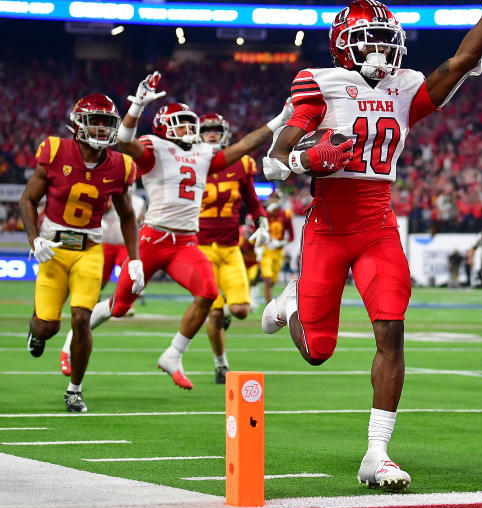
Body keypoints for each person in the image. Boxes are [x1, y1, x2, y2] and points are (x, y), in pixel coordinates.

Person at [259, 0, 482, 491]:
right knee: (318, 352)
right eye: (369, 41)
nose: (382, 50)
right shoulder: (320, 81)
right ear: (343, 46)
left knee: (392, 332)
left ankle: (376, 453)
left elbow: (462, 60)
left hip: (379, 225)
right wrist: (307, 157)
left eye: (387, 40)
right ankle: (291, 299)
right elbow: (278, 158)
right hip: (328, 229)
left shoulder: (406, 88)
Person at [64, 72, 289, 390]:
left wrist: (279, 120)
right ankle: (73, 336)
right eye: (182, 122)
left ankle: (173, 354)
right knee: (119, 307)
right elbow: (124, 140)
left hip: (185, 243)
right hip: (152, 240)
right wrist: (138, 106)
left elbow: (241, 147)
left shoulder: (202, 153)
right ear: (165, 126)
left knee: (209, 294)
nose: (189, 128)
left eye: (189, 122)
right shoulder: (154, 148)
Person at [19, 94, 143, 412]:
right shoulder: (55, 150)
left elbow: (128, 215)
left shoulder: (120, 165)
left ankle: (74, 388)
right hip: (53, 249)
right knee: (47, 326)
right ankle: (36, 332)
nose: (102, 129)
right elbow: (27, 200)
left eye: (107, 123)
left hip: (89, 250)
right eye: (95, 121)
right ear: (77, 124)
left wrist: (135, 258)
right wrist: (34, 240)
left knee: (81, 319)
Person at [196, 113, 270, 384]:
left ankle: (221, 323)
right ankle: (220, 364)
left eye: (216, 130)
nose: (212, 135)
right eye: (207, 131)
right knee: (213, 312)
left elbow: (253, 202)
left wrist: (261, 223)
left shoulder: (240, 164)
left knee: (239, 309)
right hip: (201, 248)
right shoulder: (191, 163)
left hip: (229, 248)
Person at [58, 190, 146, 378]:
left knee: (127, 278)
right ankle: (89, 303)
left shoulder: (138, 202)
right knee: (98, 284)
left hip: (124, 243)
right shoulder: (106, 193)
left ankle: (121, 298)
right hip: (104, 243)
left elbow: (138, 221)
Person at [260, 191, 294, 302]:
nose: (274, 200)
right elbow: (259, 231)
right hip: (266, 250)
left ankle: (268, 297)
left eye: (276, 198)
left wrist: (281, 243)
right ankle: (268, 307)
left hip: (279, 251)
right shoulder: (264, 214)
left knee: (273, 281)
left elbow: (291, 236)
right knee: (268, 280)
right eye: (272, 198)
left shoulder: (285, 215)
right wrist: (267, 239)